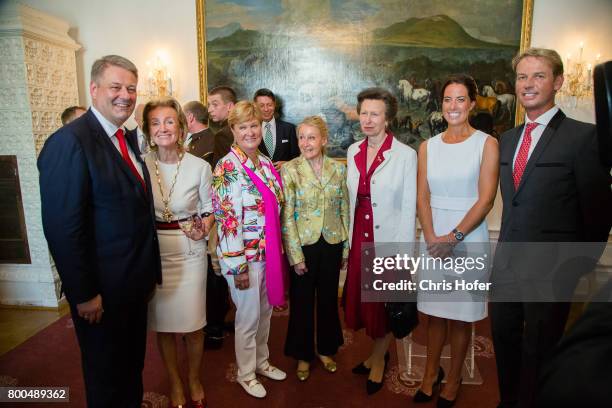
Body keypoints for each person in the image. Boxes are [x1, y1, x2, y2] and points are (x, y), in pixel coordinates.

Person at [490, 48, 612, 408]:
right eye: (522, 77)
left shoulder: (583, 137)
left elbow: (599, 211)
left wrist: (577, 264)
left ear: (558, 82)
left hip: (553, 269)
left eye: (538, 76)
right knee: (504, 340)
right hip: (507, 265)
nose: (528, 84)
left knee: (540, 350)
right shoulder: (508, 139)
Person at [38, 55, 161, 407]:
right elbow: (63, 229)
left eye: (131, 89)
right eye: (116, 87)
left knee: (130, 368)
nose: (125, 95)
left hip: (132, 287)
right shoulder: (70, 142)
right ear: (94, 89)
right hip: (101, 295)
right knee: (106, 377)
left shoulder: (123, 139)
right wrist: (84, 293)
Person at [414, 74, 499, 407]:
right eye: (448, 99)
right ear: (441, 105)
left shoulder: (487, 143)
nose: (453, 106)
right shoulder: (428, 146)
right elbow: (422, 196)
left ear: (472, 104)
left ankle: (453, 380)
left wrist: (454, 237)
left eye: (460, 99)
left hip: (468, 237)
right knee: (435, 313)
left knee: (461, 314)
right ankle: (429, 374)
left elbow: (486, 199)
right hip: (433, 236)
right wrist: (433, 236)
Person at [211, 100, 288, 399]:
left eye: (254, 125)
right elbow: (227, 221)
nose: (250, 131)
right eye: (243, 126)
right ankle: (245, 372)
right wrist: (238, 266)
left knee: (265, 313)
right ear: (233, 130)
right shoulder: (227, 167)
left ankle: (261, 361)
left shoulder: (266, 164)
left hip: (269, 255)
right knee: (248, 317)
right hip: (245, 258)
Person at [344, 87, 417, 394]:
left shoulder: (405, 155)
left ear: (388, 119)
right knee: (364, 305)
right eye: (364, 113)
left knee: (383, 305)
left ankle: (377, 359)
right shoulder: (353, 151)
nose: (368, 120)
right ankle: (377, 353)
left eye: (375, 114)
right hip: (358, 235)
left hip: (386, 238)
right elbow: (350, 200)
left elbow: (408, 207)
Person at [143, 97, 214, 408]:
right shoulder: (140, 164)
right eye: (156, 123)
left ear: (182, 126)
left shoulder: (200, 166)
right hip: (153, 255)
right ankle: (174, 381)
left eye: (169, 121)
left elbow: (211, 209)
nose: (163, 128)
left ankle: (194, 377)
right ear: (148, 130)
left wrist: (204, 227)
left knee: (194, 324)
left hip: (190, 252)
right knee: (164, 325)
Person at [281, 116, 349, 381]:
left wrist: (346, 249)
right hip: (304, 246)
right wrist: (295, 255)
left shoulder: (338, 169)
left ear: (324, 140)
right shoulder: (291, 170)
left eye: (311, 137)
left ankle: (326, 349)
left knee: (329, 300)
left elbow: (344, 208)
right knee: (301, 303)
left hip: (332, 243)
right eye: (301, 137)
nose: (305, 143)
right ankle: (302, 355)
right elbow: (287, 216)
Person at [253, 88, 299, 169]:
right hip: (260, 180)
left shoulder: (290, 129)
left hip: (285, 179)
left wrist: (288, 164)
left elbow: (299, 159)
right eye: (262, 105)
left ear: (274, 105)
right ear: (255, 106)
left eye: (269, 105)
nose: (266, 109)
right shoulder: (251, 131)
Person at [208, 86, 236, 167]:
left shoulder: (223, 135)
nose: (209, 110)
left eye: (215, 105)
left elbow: (222, 170)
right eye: (209, 105)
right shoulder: (239, 127)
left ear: (229, 106)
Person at [183, 100, 215, 168]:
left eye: (182, 117)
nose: (180, 122)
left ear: (190, 118)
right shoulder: (207, 137)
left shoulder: (208, 141)